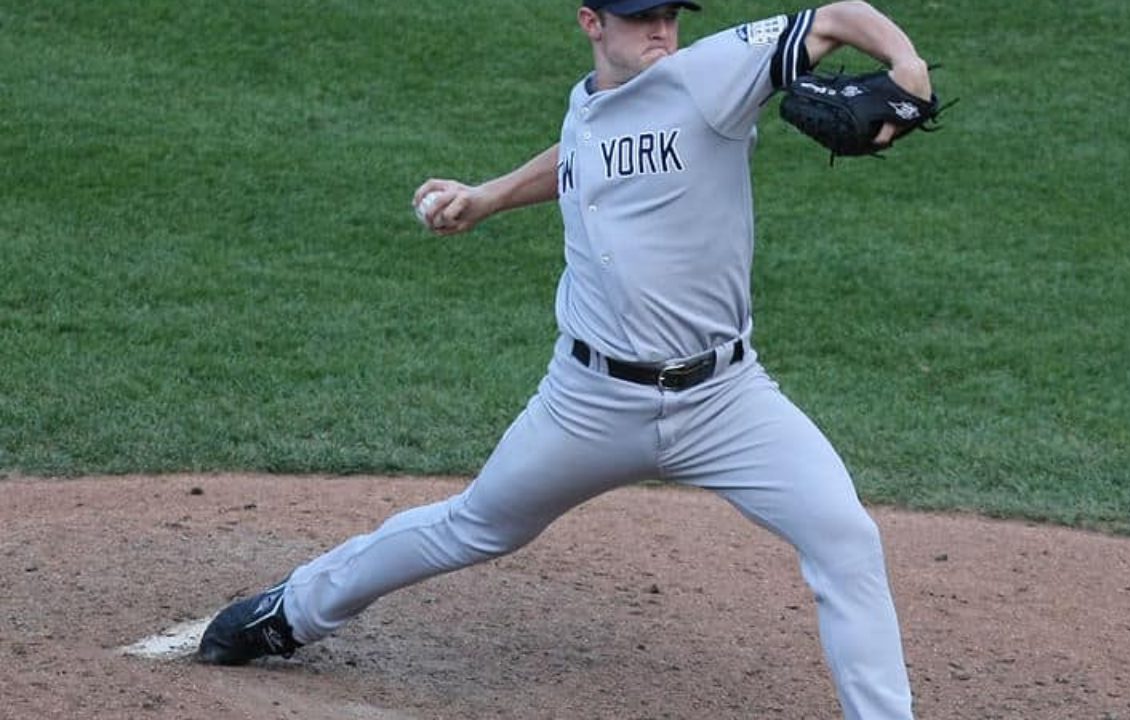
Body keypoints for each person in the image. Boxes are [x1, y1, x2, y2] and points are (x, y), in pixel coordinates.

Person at [198, 1, 933, 717]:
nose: (661, 31)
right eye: (642, 17)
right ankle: (292, 611)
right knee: (474, 525)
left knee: (846, 537)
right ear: (591, 24)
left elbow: (839, 16)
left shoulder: (712, 75)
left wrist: (908, 67)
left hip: (726, 402)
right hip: (589, 402)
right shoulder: (588, 103)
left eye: (671, 15)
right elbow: (584, 154)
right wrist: (487, 197)